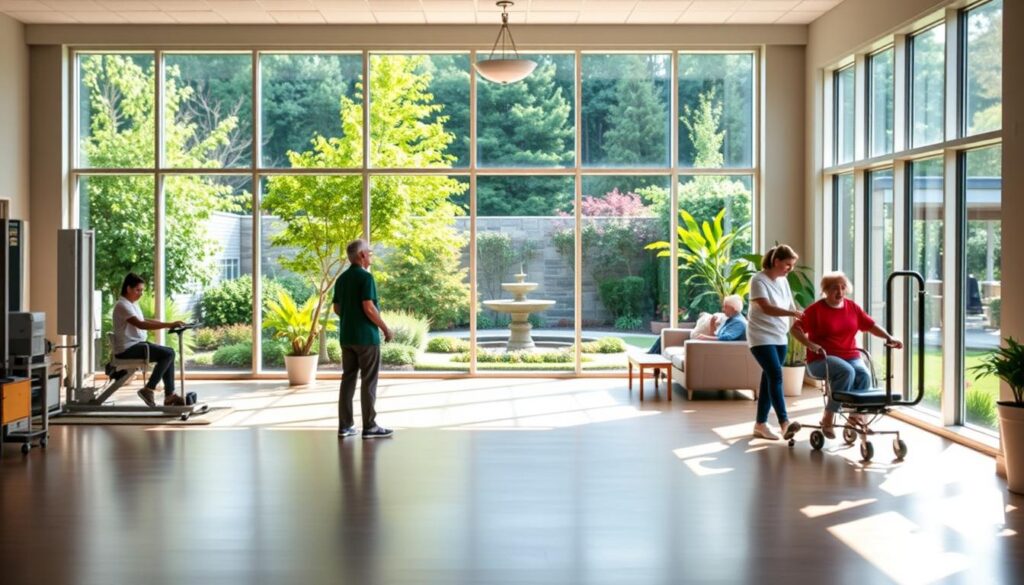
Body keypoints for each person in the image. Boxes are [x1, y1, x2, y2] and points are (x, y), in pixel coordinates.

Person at [790, 272, 903, 438]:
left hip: (850, 355)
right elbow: (795, 329)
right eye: (835, 288)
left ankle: (854, 417)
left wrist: (889, 337)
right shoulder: (816, 310)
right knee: (847, 371)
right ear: (826, 290)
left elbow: (871, 325)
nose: (840, 292)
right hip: (821, 358)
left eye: (843, 288)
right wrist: (809, 344)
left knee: (863, 374)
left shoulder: (852, 307)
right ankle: (828, 417)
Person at [333, 239, 394, 439]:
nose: (371, 255)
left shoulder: (341, 279)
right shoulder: (365, 278)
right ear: (361, 255)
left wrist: (351, 318)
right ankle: (370, 426)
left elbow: (337, 308)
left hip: (347, 337)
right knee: (369, 381)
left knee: (348, 380)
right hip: (366, 338)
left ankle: (345, 426)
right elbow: (368, 307)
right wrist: (385, 328)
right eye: (370, 252)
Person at [747, 244, 803, 440]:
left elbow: (790, 305)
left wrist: (798, 320)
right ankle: (784, 423)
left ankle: (760, 424)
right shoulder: (758, 280)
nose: (790, 269)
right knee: (776, 376)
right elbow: (767, 308)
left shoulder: (783, 281)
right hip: (760, 336)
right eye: (788, 264)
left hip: (780, 335)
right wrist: (791, 313)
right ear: (776, 261)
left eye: (792, 265)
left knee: (769, 378)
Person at [112, 273, 186, 407]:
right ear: (128, 288)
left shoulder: (132, 303)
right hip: (127, 349)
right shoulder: (122, 305)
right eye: (138, 290)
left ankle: (169, 395)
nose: (140, 293)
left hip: (136, 345)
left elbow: (143, 320)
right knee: (168, 353)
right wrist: (168, 325)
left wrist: (167, 323)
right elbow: (140, 324)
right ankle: (149, 389)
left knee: (169, 352)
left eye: (142, 290)